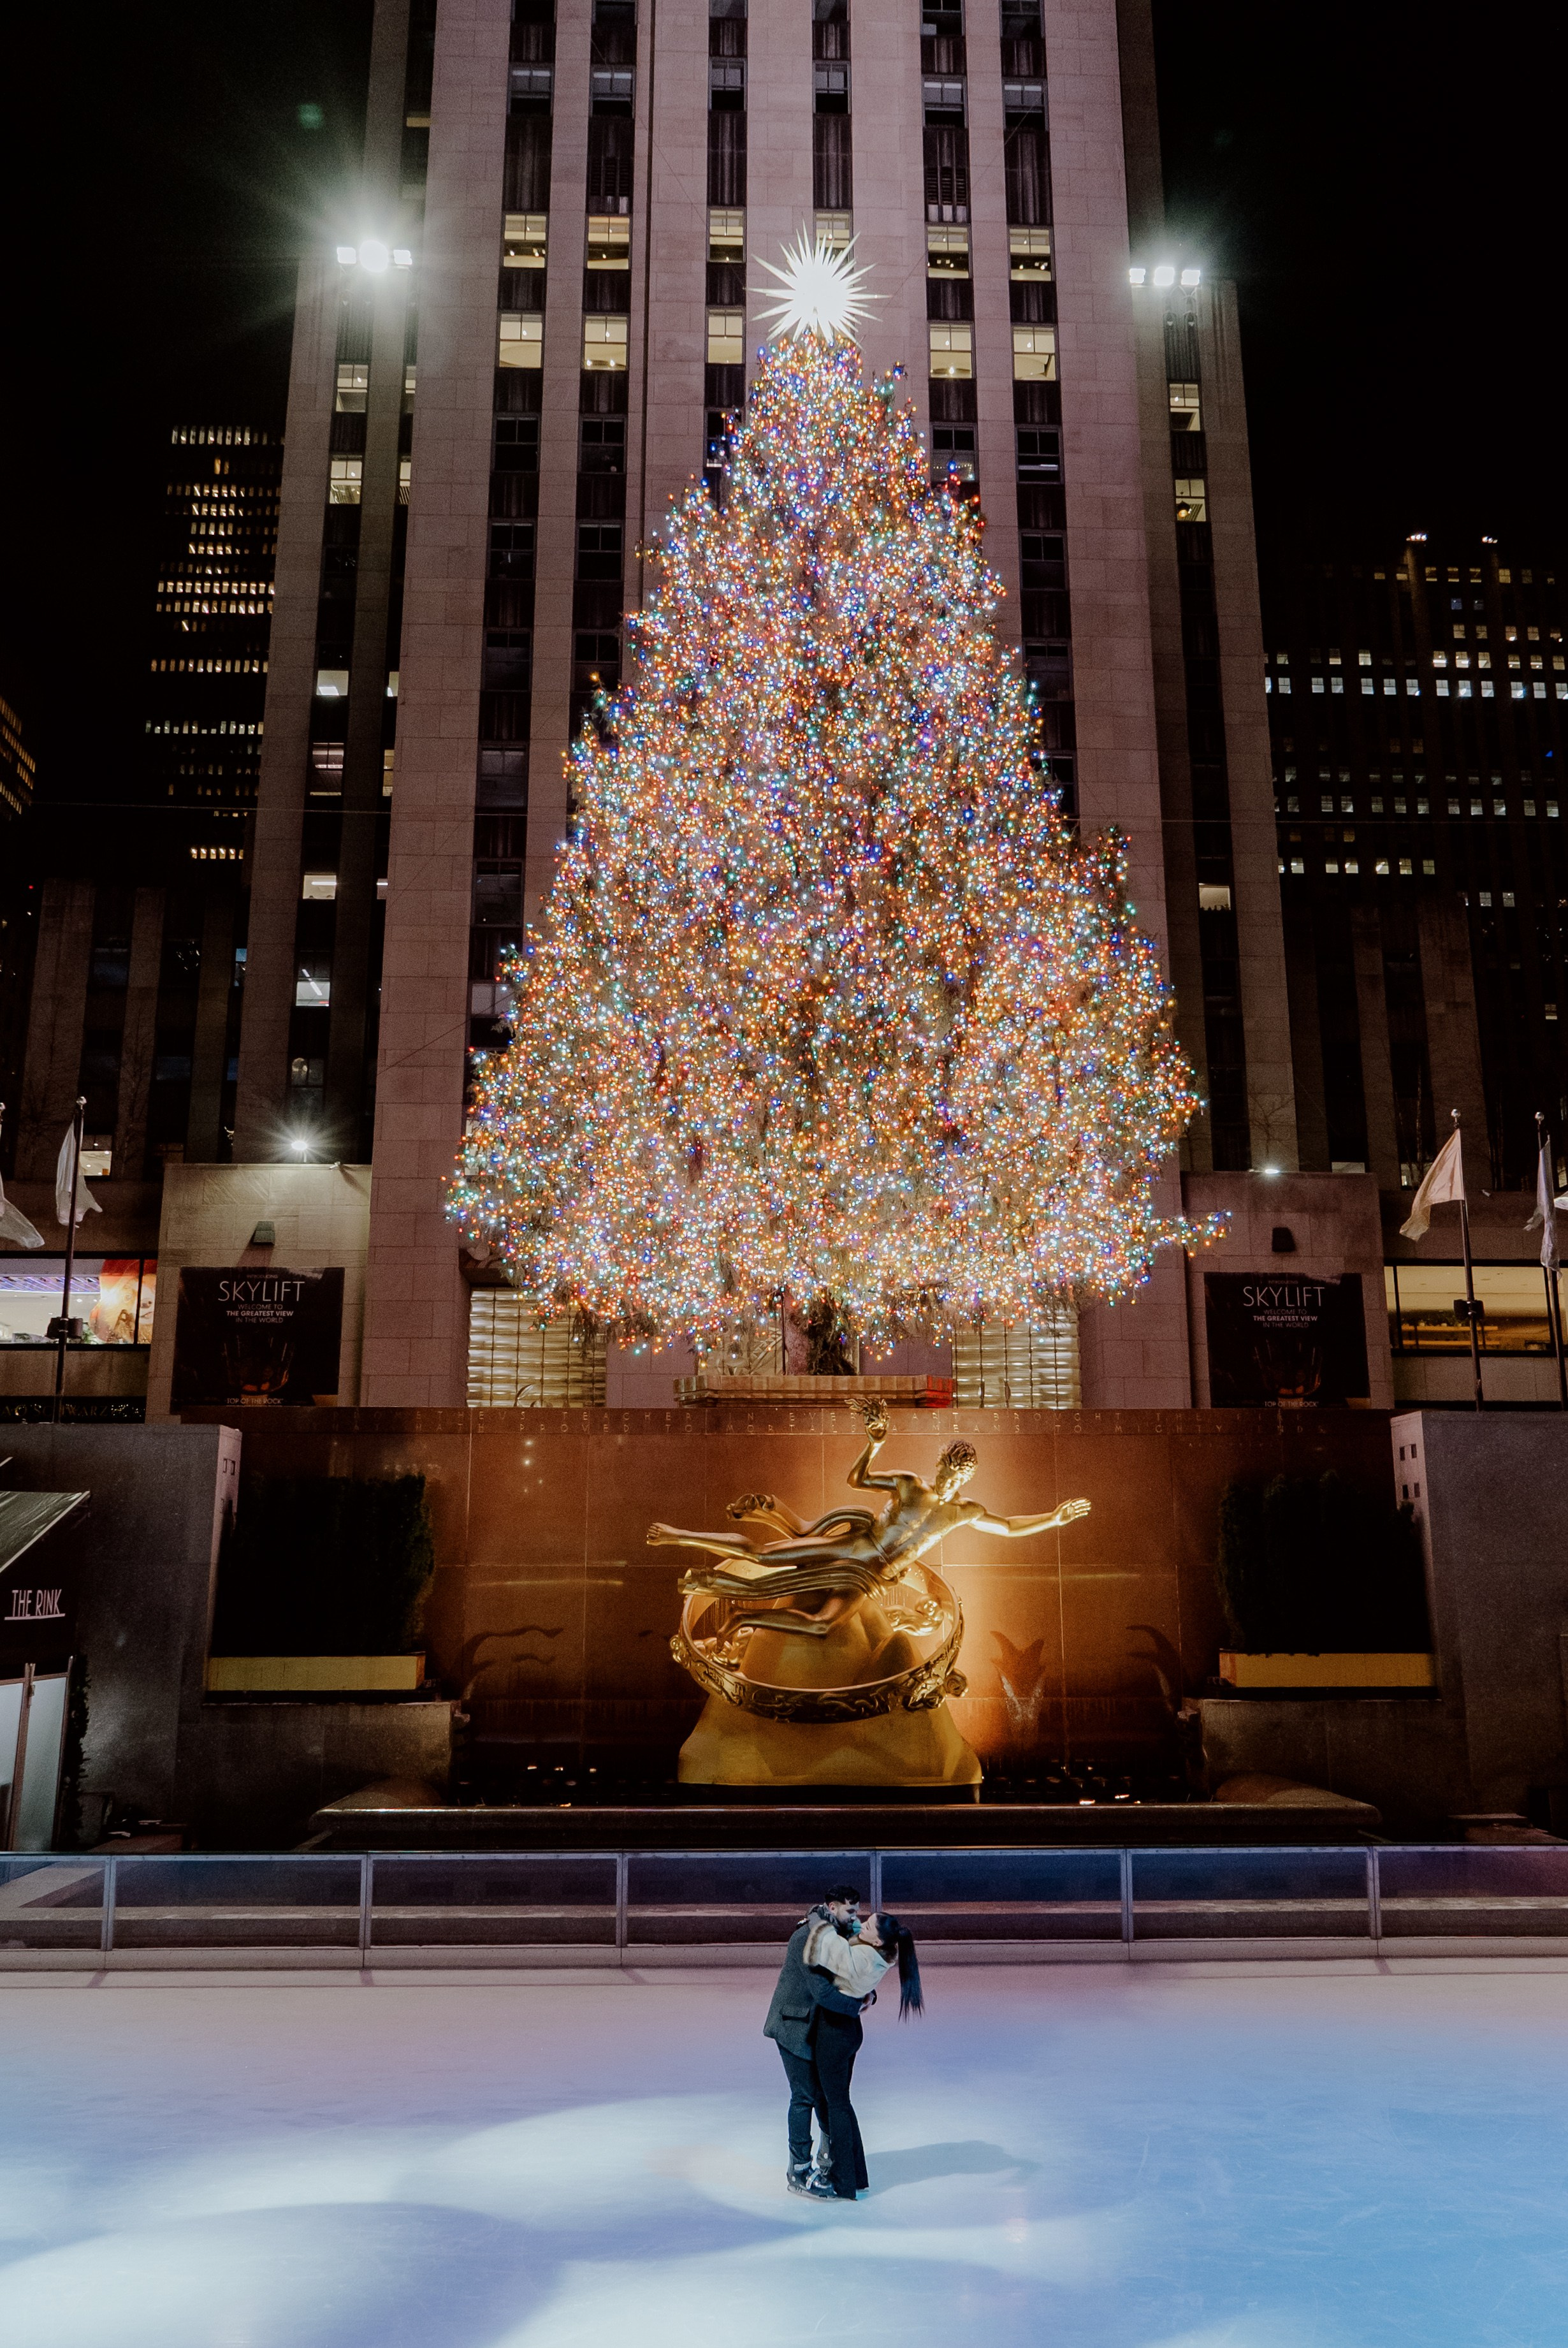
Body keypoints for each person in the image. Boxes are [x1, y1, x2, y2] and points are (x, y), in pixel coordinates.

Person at [650, 1397, 1091, 1649]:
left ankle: (743, 1619)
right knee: (763, 1555)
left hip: (874, 1578)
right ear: (938, 1463)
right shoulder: (909, 1483)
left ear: (967, 1478)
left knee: (823, 1625)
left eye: (958, 1474)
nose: (949, 1476)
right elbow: (856, 1479)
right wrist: (873, 1443)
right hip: (857, 1547)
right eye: (947, 1467)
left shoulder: (965, 1512)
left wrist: (1052, 1519)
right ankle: (677, 1536)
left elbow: (1009, 1526)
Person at [804, 1909, 924, 2202]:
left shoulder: (863, 1959)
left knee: (837, 2106)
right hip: (847, 2031)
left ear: (877, 1940)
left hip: (835, 2033)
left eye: (868, 1925)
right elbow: (853, 1935)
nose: (861, 1925)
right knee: (841, 2104)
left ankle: (844, 2182)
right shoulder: (878, 1953)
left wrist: (817, 1922)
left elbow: (832, 1949)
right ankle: (856, 2175)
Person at [762, 1884, 868, 2198]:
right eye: (851, 1911)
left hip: (815, 2027)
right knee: (805, 2096)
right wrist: (857, 2005)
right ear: (833, 1908)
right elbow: (822, 1991)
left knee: (824, 2094)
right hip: (792, 2026)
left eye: (857, 1911)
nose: (856, 1917)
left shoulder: (835, 1935)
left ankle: (828, 2159)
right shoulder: (807, 1938)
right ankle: (798, 2169)